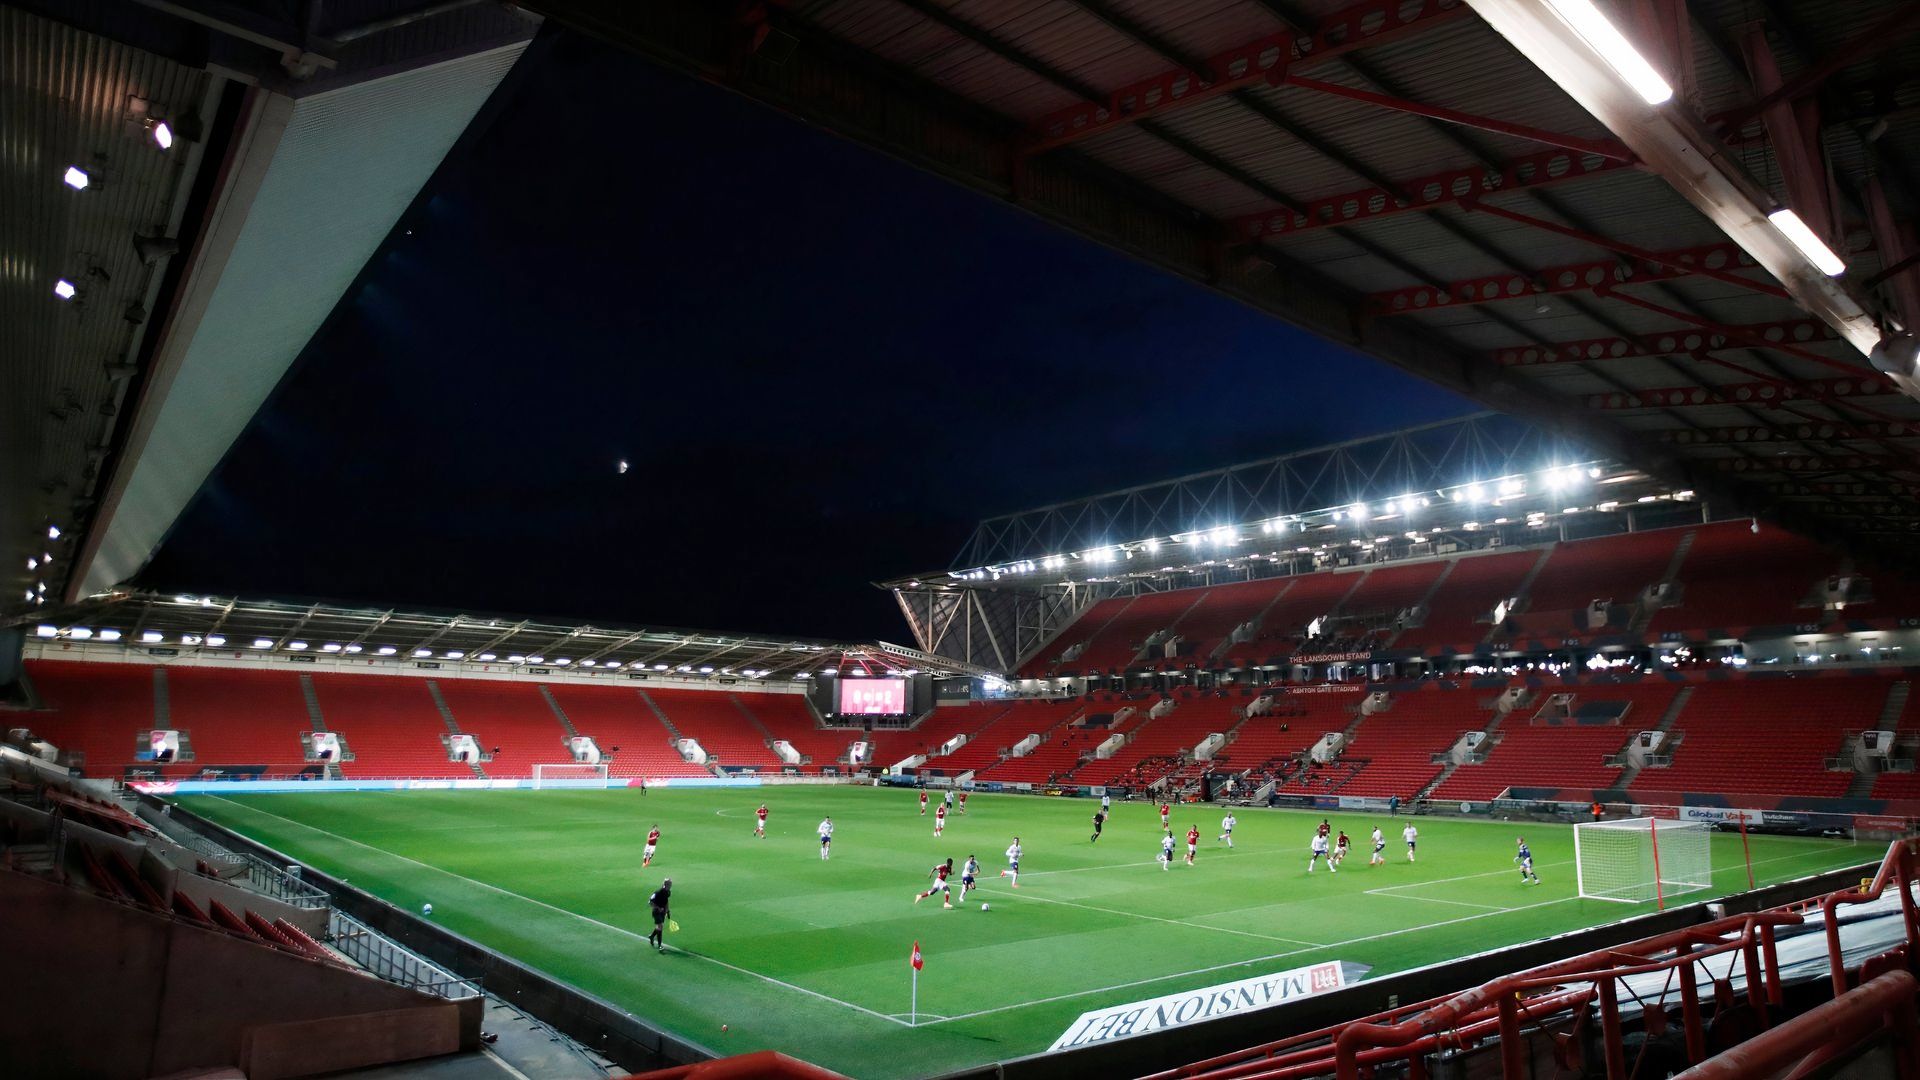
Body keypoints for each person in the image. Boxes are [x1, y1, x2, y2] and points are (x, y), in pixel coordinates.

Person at [646, 878, 672, 952]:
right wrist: (658, 908)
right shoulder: (658, 892)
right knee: (660, 927)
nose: (671, 885)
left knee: (659, 927)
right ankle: (660, 945)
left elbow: (666, 901)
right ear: (666, 884)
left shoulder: (668, 892)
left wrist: (668, 910)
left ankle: (651, 936)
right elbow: (650, 902)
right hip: (656, 912)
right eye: (670, 884)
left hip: (662, 912)